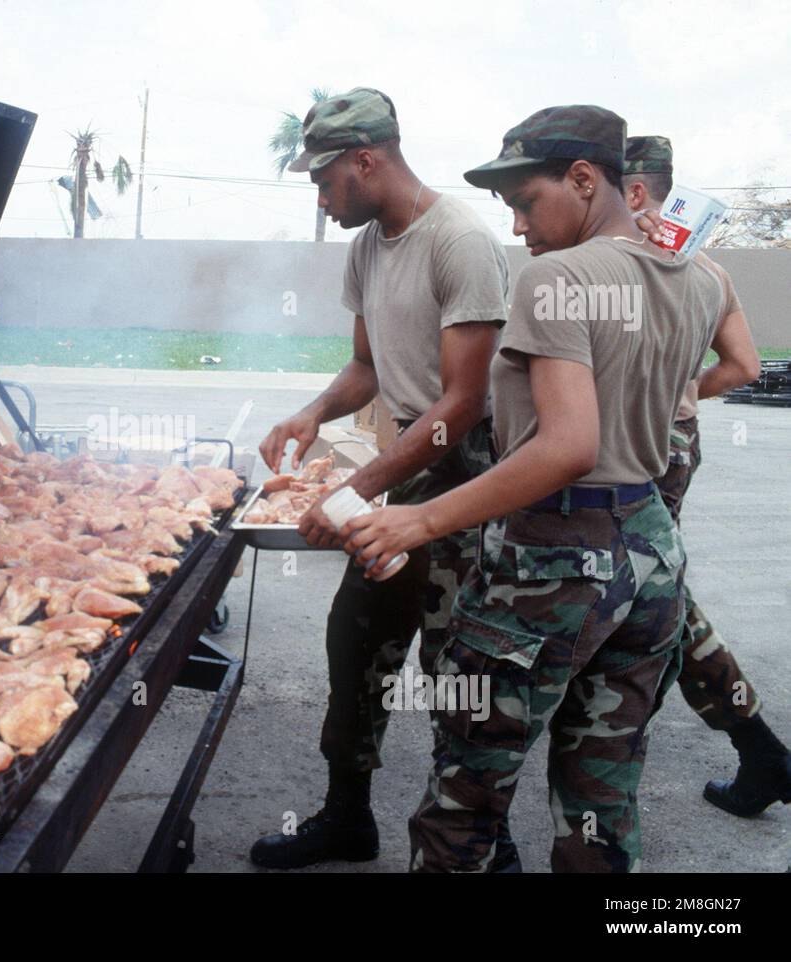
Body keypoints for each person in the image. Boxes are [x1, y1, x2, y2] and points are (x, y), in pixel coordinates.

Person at [341, 105, 728, 871]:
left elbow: (567, 447)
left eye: (526, 201)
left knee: (465, 797)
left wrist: (418, 521)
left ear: (584, 179)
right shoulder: (696, 277)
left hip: (550, 563)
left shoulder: (557, 279)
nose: (517, 227)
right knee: (602, 801)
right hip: (650, 553)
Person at [251, 87, 509, 869]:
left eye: (326, 182)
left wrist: (354, 491)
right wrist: (313, 413)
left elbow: (461, 404)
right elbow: (367, 367)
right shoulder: (367, 246)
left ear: (367, 160)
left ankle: (483, 847)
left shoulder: (459, 240)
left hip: (464, 478)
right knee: (357, 635)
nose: (323, 200)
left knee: (455, 670)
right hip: (406, 468)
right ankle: (347, 818)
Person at [622, 136, 790, 816]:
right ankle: (760, 752)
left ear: (633, 192)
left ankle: (757, 748)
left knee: (651, 593)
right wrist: (684, 392)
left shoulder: (627, 265)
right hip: (680, 440)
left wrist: (657, 396)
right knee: (652, 587)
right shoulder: (710, 271)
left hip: (636, 444)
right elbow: (746, 368)